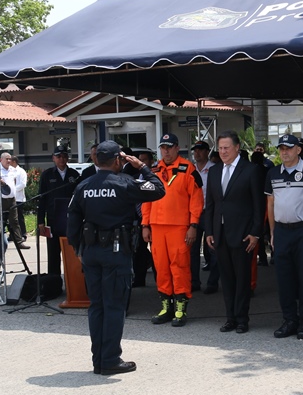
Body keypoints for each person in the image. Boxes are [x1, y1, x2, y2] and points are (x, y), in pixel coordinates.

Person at [67, 141, 165, 375]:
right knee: (114, 306)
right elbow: (158, 189)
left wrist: (78, 249)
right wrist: (142, 166)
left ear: (96, 160)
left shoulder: (83, 185)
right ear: (118, 160)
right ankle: (110, 360)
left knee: (97, 306)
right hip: (116, 251)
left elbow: (72, 222)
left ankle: (98, 360)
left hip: (90, 252)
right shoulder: (125, 183)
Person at [265, 134, 303, 340]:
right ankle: (289, 320)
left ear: (298, 150)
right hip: (282, 231)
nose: (284, 152)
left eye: (289, 148)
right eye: (281, 148)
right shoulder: (273, 173)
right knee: (284, 278)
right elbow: (270, 204)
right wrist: (272, 232)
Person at [204, 131, 264, 334]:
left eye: (226, 148)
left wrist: (256, 232)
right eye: (220, 148)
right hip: (220, 234)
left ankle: (242, 319)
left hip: (243, 234)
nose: (223, 152)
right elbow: (210, 205)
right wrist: (209, 231)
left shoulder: (251, 170)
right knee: (227, 279)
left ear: (237, 148)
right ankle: (230, 318)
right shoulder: (214, 171)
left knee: (242, 279)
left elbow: (258, 205)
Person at [142, 133, 204, 327]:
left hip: (179, 227)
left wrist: (193, 225)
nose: (166, 151)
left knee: (180, 267)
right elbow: (146, 200)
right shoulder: (154, 170)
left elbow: (196, 200)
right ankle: (165, 307)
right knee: (161, 267)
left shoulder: (188, 169)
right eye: (163, 148)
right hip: (157, 226)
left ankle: (180, 308)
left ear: (177, 148)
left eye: (169, 147)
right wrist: (145, 225)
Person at [37, 145, 80, 280]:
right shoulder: (47, 175)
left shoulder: (74, 175)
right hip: (53, 219)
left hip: (70, 219)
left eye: (64, 156)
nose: (61, 159)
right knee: (53, 253)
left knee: (72, 252)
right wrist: (40, 221)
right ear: (53, 158)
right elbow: (42, 199)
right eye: (58, 156)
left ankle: (73, 283)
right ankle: (54, 282)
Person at [189, 140, 218, 293]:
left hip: (209, 213)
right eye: (195, 150)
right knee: (192, 249)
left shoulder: (214, 169)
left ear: (207, 152)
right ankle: (194, 282)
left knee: (213, 248)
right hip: (193, 214)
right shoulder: (189, 169)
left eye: (200, 150)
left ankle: (212, 283)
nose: (197, 153)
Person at [132, 149, 156, 288]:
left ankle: (159, 279)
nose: (142, 162)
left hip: (153, 218)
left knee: (156, 250)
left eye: (145, 160)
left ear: (151, 161)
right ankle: (139, 279)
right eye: (140, 160)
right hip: (139, 219)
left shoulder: (154, 176)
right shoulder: (135, 177)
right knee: (139, 249)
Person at [0, 152, 28, 250]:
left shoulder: (12, 170)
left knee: (14, 221)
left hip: (12, 199)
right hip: (2, 199)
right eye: (6, 159)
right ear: (1, 160)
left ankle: (19, 242)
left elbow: (14, 181)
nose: (9, 161)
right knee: (0, 222)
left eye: (10, 159)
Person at [9, 156, 28, 241]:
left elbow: (23, 184)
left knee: (19, 217)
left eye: (10, 161)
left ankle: (23, 234)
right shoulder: (10, 171)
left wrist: (13, 190)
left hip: (19, 198)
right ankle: (13, 235)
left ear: (14, 162)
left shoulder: (21, 171)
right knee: (11, 218)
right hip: (10, 198)